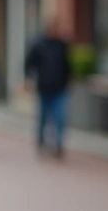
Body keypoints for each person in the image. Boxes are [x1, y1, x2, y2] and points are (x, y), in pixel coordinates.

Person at [23, 18, 72, 158]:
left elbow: (67, 64)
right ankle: (41, 141)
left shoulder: (63, 45)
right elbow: (29, 62)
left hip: (60, 88)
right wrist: (28, 78)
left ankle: (59, 144)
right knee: (43, 117)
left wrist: (69, 79)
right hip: (44, 87)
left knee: (60, 116)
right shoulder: (39, 44)